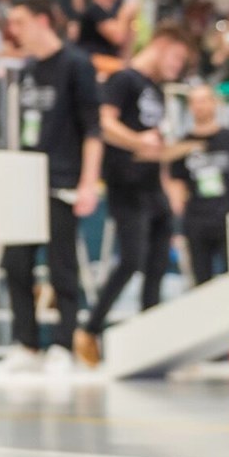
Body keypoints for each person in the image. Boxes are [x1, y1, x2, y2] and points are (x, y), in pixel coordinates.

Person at [78, 23, 192, 364]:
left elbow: (154, 140)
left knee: (158, 265)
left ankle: (149, 340)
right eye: (177, 57)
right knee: (131, 260)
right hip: (125, 182)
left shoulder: (156, 89)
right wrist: (137, 141)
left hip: (152, 184)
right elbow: (105, 123)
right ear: (160, 44)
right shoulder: (124, 79)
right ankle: (90, 329)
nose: (178, 66)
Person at [0, 0, 100, 373]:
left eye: (21, 22)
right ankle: (26, 344)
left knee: (62, 264)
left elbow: (93, 129)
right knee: (16, 263)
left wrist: (88, 183)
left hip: (63, 180)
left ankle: (63, 344)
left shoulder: (76, 65)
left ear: (43, 20)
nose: (14, 30)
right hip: (27, 180)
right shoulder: (27, 71)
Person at [166, 84, 229, 286]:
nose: (199, 106)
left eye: (204, 100)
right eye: (194, 102)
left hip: (228, 214)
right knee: (200, 280)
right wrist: (177, 207)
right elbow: (175, 179)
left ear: (214, 103)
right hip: (197, 218)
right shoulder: (183, 143)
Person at [75, 0, 136, 69]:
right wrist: (124, 15)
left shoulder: (114, 14)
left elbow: (125, 46)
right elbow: (117, 37)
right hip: (92, 62)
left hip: (112, 60)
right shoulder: (94, 10)